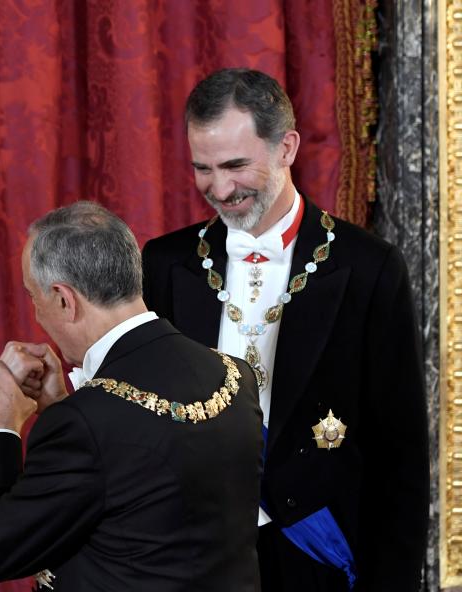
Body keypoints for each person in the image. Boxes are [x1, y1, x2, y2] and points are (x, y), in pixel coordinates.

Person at [142, 68, 429, 591]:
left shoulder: (368, 268)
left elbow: (400, 457)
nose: (219, 188)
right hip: (192, 558)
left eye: (235, 165)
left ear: (287, 148)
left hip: (317, 556)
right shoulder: (165, 263)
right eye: (202, 168)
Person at [0, 201, 263, 591]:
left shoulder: (85, 423)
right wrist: (63, 406)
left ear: (64, 300)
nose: (36, 314)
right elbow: (143, 490)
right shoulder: (236, 375)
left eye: (34, 298)